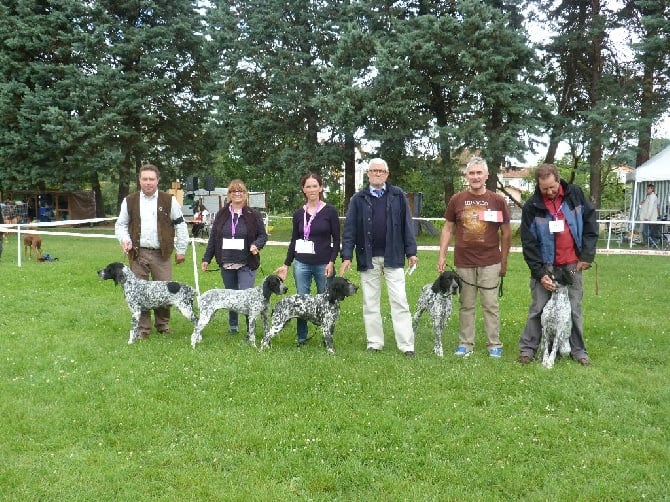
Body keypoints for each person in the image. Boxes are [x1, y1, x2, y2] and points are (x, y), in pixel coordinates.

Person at [518, 163, 598, 366]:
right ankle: (528, 349)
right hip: (546, 265)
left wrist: (586, 256)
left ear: (558, 179)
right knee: (538, 308)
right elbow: (529, 244)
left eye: (552, 187)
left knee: (574, 308)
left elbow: (590, 223)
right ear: (538, 185)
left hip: (572, 264)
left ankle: (578, 350)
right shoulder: (531, 206)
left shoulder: (576, 195)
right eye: (545, 189)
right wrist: (539, 273)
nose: (549, 191)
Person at [339, 158, 418, 357]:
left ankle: (407, 345)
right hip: (368, 258)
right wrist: (347, 255)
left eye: (381, 171)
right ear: (368, 174)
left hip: (394, 256)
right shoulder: (358, 199)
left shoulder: (397, 195)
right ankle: (374, 342)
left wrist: (412, 252)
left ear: (387, 174)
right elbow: (350, 229)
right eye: (373, 170)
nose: (377, 174)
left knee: (399, 300)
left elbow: (407, 225)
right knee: (370, 302)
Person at [437, 156, 511, 358]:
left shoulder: (498, 201)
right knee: (466, 304)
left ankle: (494, 344)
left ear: (487, 175)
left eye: (479, 173)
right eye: (472, 173)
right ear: (466, 176)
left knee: (490, 304)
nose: (476, 177)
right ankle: (465, 344)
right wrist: (441, 255)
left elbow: (506, 233)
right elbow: (447, 228)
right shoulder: (457, 200)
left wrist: (503, 261)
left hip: (490, 261)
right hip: (464, 261)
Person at [115, 163, 189, 339]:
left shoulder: (169, 200)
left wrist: (181, 250)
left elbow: (180, 225)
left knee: (164, 291)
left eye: (151, 179)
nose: (148, 182)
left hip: (161, 254)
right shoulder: (130, 200)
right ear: (139, 180)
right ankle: (143, 329)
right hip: (137, 254)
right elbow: (121, 225)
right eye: (144, 179)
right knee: (138, 293)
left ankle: (163, 325)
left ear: (157, 180)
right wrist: (125, 240)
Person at [275, 173, 341, 346]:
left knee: (326, 300)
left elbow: (337, 240)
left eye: (315, 186)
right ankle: (301, 337)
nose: (311, 189)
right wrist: (286, 264)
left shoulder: (330, 211)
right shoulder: (298, 214)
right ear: (303, 189)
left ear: (320, 187)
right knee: (301, 301)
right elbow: (294, 241)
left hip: (323, 264)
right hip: (302, 264)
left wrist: (332, 262)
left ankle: (327, 339)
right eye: (308, 186)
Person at [201, 179, 268, 335]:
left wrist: (256, 245)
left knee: (246, 295)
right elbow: (213, 239)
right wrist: (206, 259)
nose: (237, 194)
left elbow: (263, 235)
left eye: (241, 191)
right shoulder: (221, 214)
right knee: (231, 295)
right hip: (226, 260)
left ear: (245, 195)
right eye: (233, 191)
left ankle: (249, 330)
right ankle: (233, 327)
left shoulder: (254, 214)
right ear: (229, 195)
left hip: (247, 262)